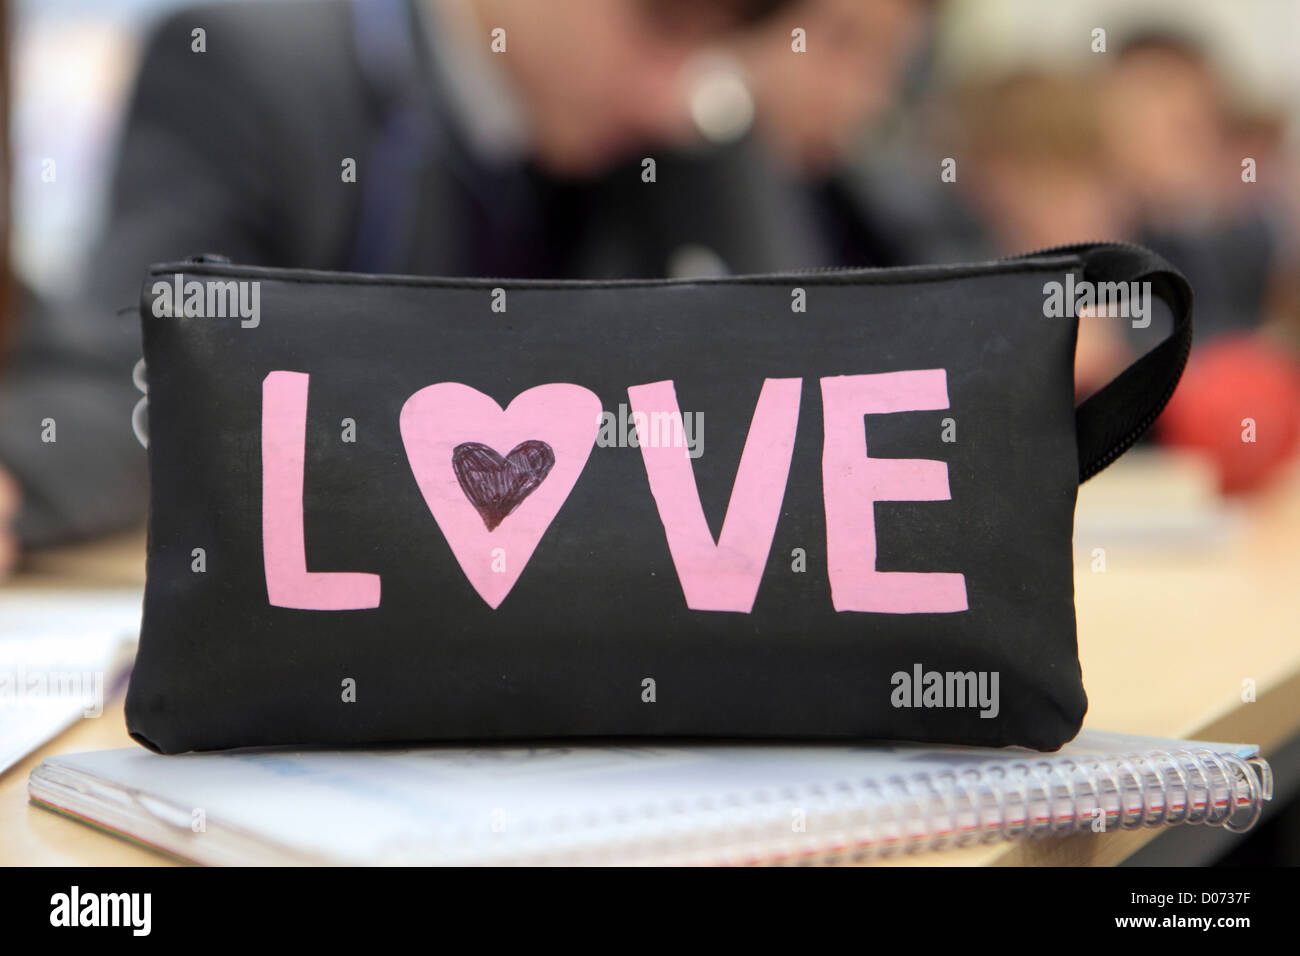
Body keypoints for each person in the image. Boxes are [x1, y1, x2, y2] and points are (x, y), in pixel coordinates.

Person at [0, 0, 934, 570]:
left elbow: (792, 377)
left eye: (712, 45)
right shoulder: (258, 70)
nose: (672, 90)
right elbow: (131, 376)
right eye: (658, 20)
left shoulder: (674, 130)